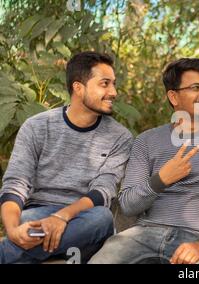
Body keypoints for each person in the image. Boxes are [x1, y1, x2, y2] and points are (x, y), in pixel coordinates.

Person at [89, 58, 199, 264]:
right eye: (196, 88)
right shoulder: (146, 141)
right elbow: (128, 204)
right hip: (142, 235)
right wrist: (162, 179)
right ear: (173, 96)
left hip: (196, 240)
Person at [0, 51, 133, 263]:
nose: (114, 92)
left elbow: (104, 189)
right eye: (105, 84)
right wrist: (13, 229)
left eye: (114, 84)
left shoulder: (120, 137)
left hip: (85, 218)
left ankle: (7, 254)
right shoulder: (37, 126)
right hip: (39, 213)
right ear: (78, 88)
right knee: (25, 220)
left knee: (102, 218)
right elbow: (15, 183)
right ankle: (33, 249)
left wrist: (62, 217)